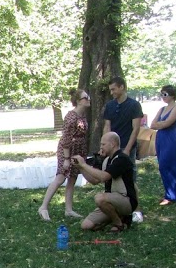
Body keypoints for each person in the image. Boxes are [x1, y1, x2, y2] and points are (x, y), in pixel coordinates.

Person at [38, 89, 90, 221]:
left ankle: (68, 209)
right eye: (85, 98)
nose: (88, 99)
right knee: (61, 177)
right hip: (67, 151)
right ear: (78, 101)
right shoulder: (71, 117)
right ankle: (43, 207)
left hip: (78, 150)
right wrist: (66, 159)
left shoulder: (83, 115)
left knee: (72, 178)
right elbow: (66, 139)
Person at [72, 132, 137, 232]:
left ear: (113, 144)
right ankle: (120, 217)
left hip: (126, 200)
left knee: (99, 198)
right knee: (86, 226)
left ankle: (118, 223)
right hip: (111, 200)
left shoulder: (122, 159)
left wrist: (84, 165)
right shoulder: (107, 160)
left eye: (103, 144)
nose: (101, 147)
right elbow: (94, 180)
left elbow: (104, 177)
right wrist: (80, 167)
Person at [149, 85, 176, 205]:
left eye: (165, 94)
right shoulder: (162, 109)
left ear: (172, 95)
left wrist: (160, 124)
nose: (163, 97)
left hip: (173, 139)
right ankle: (170, 193)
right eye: (161, 94)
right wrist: (160, 124)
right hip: (161, 139)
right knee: (163, 165)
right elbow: (153, 124)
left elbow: (167, 123)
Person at [101, 76, 144, 160]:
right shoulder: (109, 105)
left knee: (129, 171)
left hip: (127, 145)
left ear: (122, 87)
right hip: (112, 147)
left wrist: (127, 149)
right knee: (111, 171)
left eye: (113, 89)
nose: (111, 92)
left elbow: (136, 129)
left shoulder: (134, 105)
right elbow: (107, 126)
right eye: (110, 90)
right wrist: (103, 146)